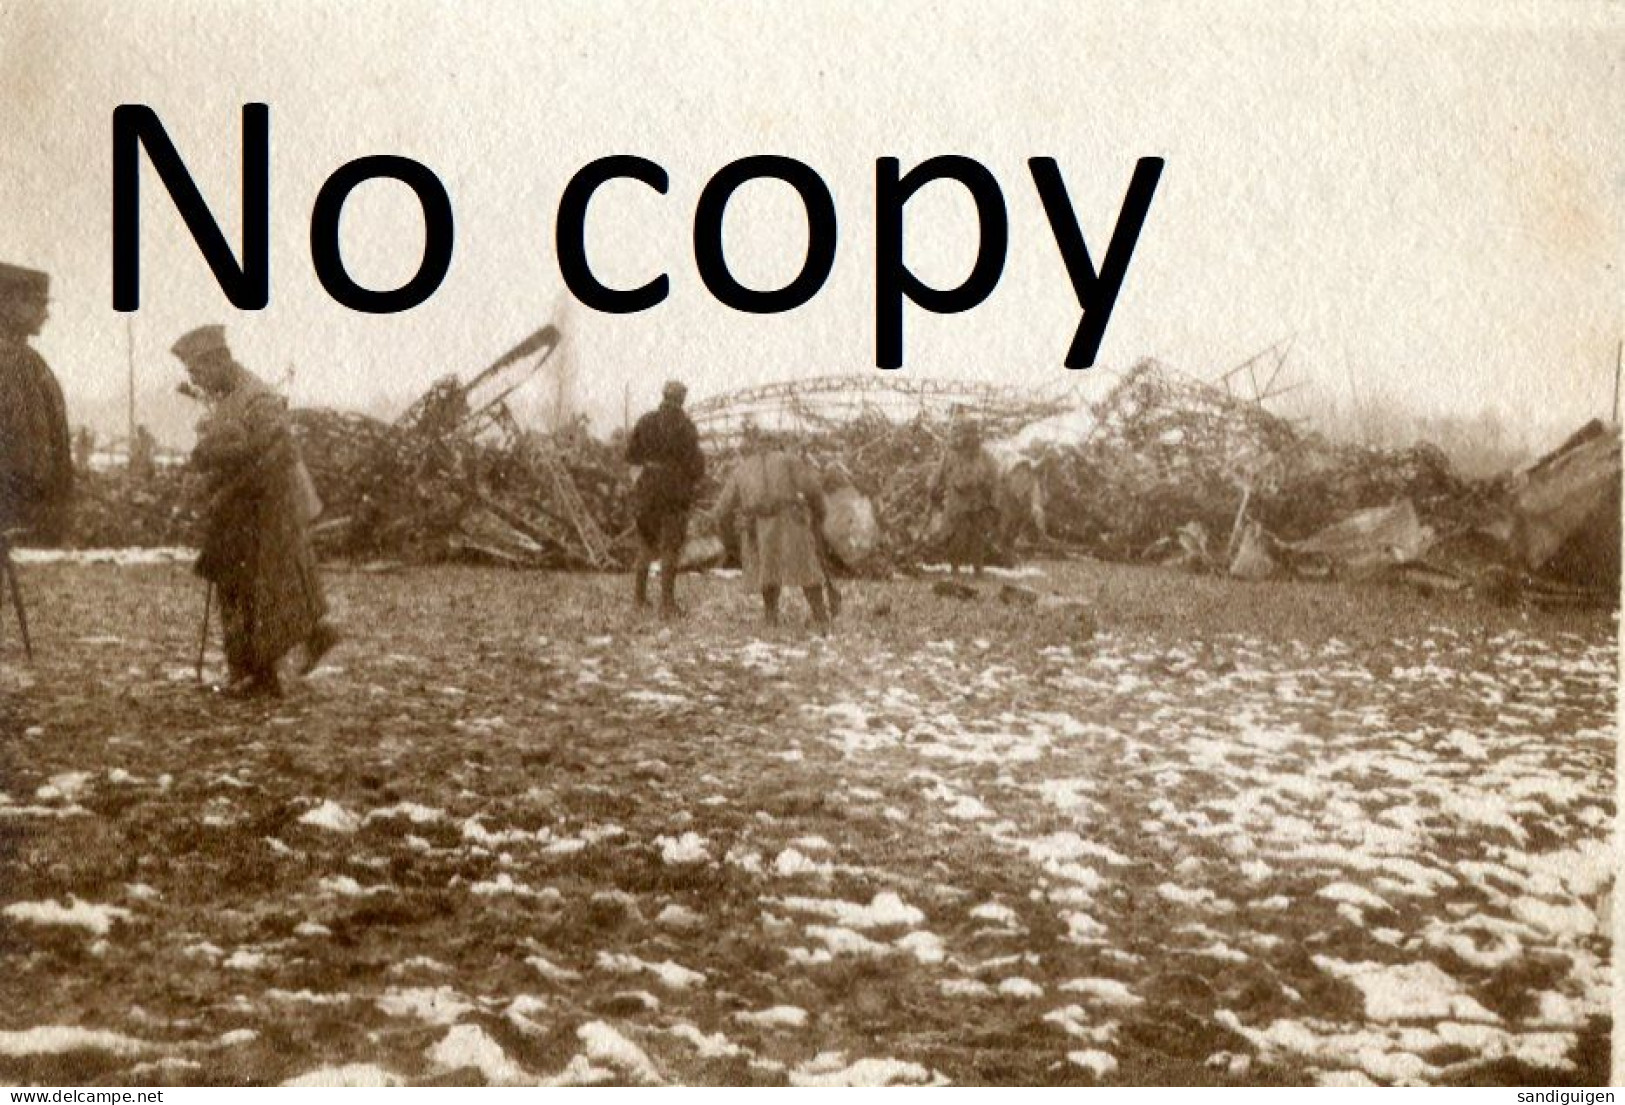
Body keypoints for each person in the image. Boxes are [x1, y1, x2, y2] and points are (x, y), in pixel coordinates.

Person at [171, 325, 337, 697]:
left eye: (197, 371)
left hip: (263, 508)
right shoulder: (228, 396)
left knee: (252, 590)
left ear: (219, 361)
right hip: (239, 509)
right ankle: (253, 668)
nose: (195, 380)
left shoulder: (257, 398)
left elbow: (275, 455)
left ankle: (257, 675)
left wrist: (220, 473)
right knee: (239, 586)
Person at [716, 423, 830, 632]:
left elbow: (723, 507)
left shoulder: (742, 469)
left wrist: (728, 536)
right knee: (805, 568)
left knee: (767, 571)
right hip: (789, 521)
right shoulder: (789, 460)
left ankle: (771, 617)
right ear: (776, 443)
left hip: (757, 525)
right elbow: (812, 488)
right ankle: (820, 614)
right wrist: (819, 515)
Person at [0, 263, 73, 544]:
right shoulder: (10, 361)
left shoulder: (27, 360)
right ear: (7, 304)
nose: (46, 315)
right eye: (36, 304)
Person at [626, 380, 705, 617]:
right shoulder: (686, 427)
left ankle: (639, 599)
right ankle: (667, 604)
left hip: (647, 491)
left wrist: (644, 478)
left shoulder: (646, 421)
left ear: (663, 396)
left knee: (645, 544)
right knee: (670, 546)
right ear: (681, 399)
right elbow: (696, 467)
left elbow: (630, 456)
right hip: (674, 492)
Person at [929, 419, 1001, 578]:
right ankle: (955, 568)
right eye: (968, 433)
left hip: (978, 502)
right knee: (957, 537)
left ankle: (978, 569)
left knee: (978, 538)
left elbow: (995, 478)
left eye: (974, 433)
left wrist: (993, 503)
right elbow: (937, 476)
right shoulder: (951, 455)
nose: (971, 437)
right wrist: (934, 490)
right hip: (957, 503)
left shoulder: (985, 456)